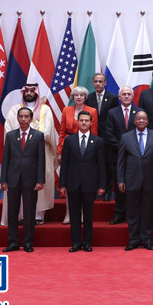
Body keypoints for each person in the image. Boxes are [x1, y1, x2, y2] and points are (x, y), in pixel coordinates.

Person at [2, 83, 56, 226]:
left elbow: (47, 133)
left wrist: (31, 133)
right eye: (27, 91)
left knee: (37, 184)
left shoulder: (45, 109)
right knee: (17, 186)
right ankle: (18, 216)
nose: (30, 93)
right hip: (18, 153)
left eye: (33, 90)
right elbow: (9, 132)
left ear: (37, 93)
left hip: (40, 152)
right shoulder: (14, 110)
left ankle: (38, 215)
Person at [59, 110, 106, 252]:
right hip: (72, 183)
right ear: (77, 122)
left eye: (86, 120)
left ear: (91, 123)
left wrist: (102, 185)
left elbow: (102, 165)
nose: (84, 123)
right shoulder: (69, 140)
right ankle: (75, 243)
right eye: (81, 120)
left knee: (88, 215)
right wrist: (62, 184)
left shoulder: (98, 141)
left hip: (90, 184)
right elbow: (64, 164)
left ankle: (87, 243)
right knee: (74, 215)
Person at [0, 107, 45, 252]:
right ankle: (13, 242)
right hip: (13, 178)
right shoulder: (10, 135)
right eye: (21, 116)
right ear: (17, 118)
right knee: (12, 212)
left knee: (29, 212)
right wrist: (3, 179)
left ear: (31, 119)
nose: (24, 119)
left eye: (26, 117)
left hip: (31, 179)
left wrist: (40, 180)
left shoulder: (38, 136)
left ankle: (27, 242)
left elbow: (41, 160)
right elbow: (6, 159)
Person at [118, 111, 153, 251]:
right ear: (134, 121)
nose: (141, 120)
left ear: (147, 121)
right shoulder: (125, 137)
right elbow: (121, 162)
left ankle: (147, 239)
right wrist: (120, 180)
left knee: (148, 211)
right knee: (132, 212)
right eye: (139, 118)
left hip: (150, 180)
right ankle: (134, 239)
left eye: (144, 118)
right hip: (131, 180)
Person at [56, 85, 98, 225]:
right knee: (70, 182)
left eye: (81, 95)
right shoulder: (66, 110)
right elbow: (62, 132)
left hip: (86, 149)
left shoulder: (92, 111)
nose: (79, 97)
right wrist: (60, 151)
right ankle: (69, 213)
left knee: (85, 182)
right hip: (69, 148)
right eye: (76, 95)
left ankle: (83, 214)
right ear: (73, 97)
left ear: (85, 97)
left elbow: (95, 133)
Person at [104, 86, 141, 225]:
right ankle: (119, 214)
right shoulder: (112, 113)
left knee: (134, 186)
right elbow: (109, 134)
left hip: (135, 157)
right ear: (119, 97)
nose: (126, 96)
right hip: (116, 155)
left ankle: (133, 214)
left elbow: (142, 133)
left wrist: (131, 148)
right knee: (119, 185)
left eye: (128, 94)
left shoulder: (140, 112)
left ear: (132, 96)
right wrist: (123, 147)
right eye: (123, 94)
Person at [88, 73, 118, 201]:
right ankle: (94, 190)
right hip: (92, 136)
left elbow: (115, 117)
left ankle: (107, 191)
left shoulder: (112, 98)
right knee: (92, 164)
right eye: (96, 81)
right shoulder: (89, 97)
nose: (98, 84)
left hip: (107, 137)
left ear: (105, 83)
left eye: (100, 81)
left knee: (107, 165)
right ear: (93, 83)